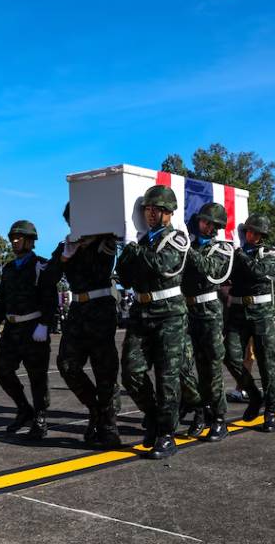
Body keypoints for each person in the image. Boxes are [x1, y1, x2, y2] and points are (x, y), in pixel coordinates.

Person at [116, 185, 190, 460]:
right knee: (131, 372)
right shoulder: (140, 242)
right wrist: (125, 252)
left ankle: (166, 434)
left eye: (155, 209)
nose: (150, 213)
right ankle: (155, 417)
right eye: (147, 209)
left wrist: (135, 249)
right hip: (141, 311)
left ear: (168, 213)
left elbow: (163, 265)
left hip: (170, 314)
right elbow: (123, 278)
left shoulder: (177, 239)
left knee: (167, 377)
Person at [50, 203, 122, 449]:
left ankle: (109, 425)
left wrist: (85, 245)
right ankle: (96, 410)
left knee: (105, 369)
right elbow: (48, 277)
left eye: (78, 220)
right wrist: (64, 257)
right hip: (78, 310)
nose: (74, 225)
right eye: (71, 221)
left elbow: (101, 269)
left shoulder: (105, 241)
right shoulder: (65, 246)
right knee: (67, 364)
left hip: (101, 307)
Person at [0, 220, 59, 440]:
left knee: (37, 376)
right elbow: (2, 298)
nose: (15, 242)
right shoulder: (9, 268)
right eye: (13, 238)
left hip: (33, 327)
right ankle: (23, 408)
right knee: (1, 369)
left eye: (19, 238)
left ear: (30, 241)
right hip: (11, 328)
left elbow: (50, 297)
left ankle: (40, 418)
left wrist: (45, 324)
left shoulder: (41, 265)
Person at [223, 214, 275, 432]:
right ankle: (254, 394)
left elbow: (260, 272)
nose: (251, 235)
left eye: (255, 232)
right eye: (248, 231)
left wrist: (240, 255)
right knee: (229, 356)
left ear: (262, 235)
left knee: (267, 362)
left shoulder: (269, 253)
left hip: (260, 312)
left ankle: (271, 409)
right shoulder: (236, 252)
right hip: (238, 310)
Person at [181, 202, 235, 441]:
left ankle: (219, 419)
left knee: (211, 368)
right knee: (183, 365)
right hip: (186, 310)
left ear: (218, 227)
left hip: (209, 311)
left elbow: (208, 268)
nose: (206, 225)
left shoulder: (222, 248)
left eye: (211, 223)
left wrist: (185, 248)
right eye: (204, 221)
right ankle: (199, 409)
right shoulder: (188, 245)